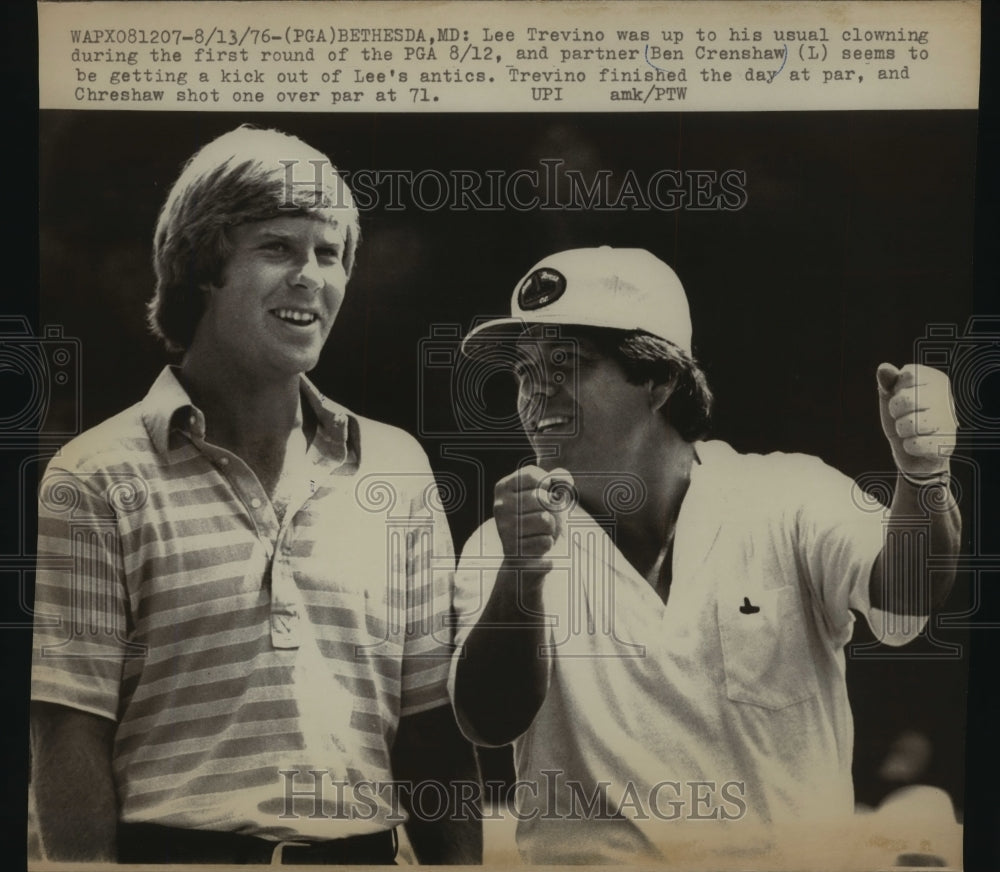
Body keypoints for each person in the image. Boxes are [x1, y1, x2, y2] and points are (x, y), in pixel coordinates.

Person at [30, 126, 481, 864]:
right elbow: (70, 731)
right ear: (201, 269)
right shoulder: (94, 476)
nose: (312, 276)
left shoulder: (398, 468)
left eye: (330, 253)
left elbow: (432, 727)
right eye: (278, 247)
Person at [449, 246, 960, 866]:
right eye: (526, 372)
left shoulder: (789, 495)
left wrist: (924, 477)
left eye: (568, 365)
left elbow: (909, 594)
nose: (538, 397)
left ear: (660, 379)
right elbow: (489, 721)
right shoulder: (502, 542)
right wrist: (522, 575)